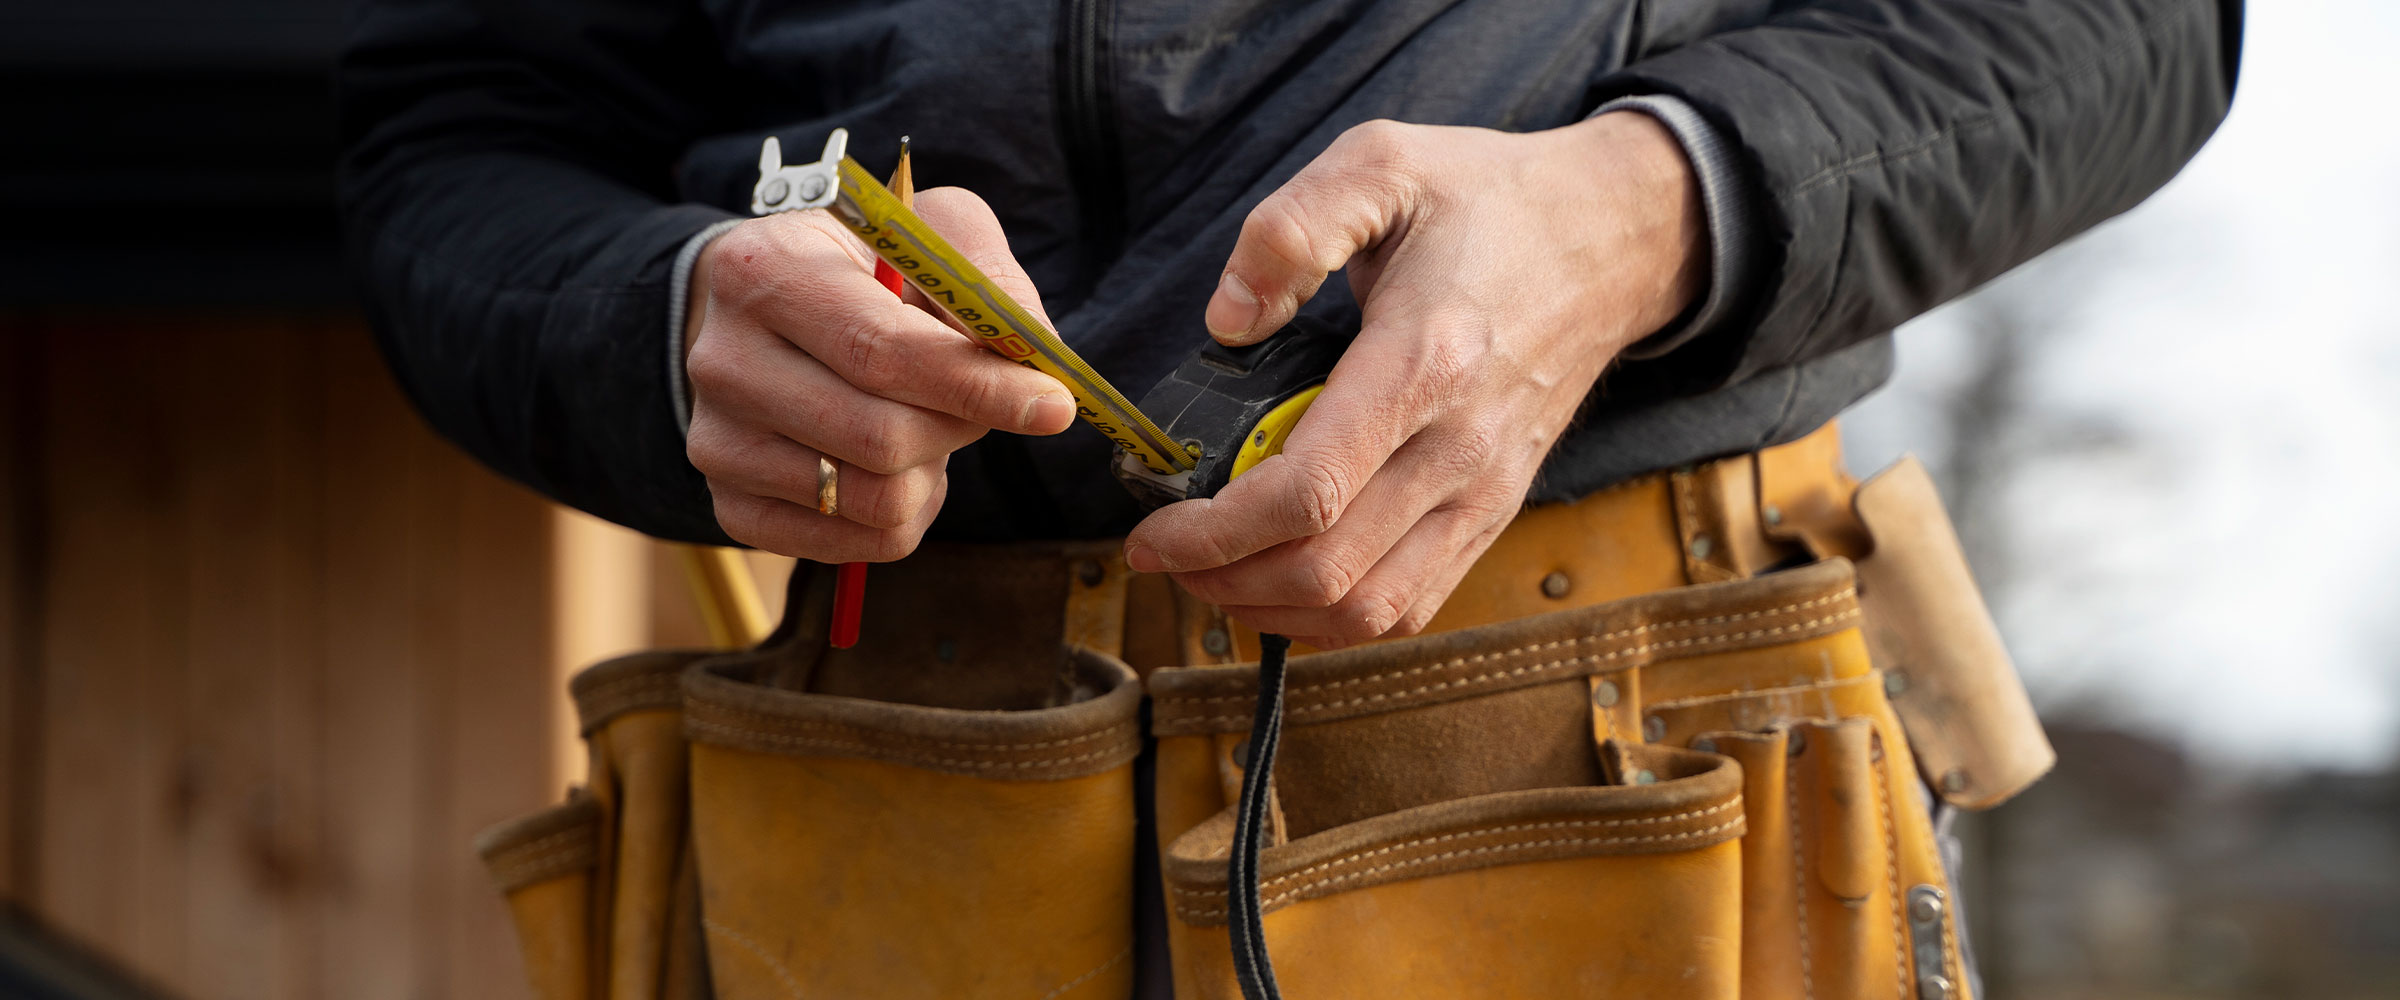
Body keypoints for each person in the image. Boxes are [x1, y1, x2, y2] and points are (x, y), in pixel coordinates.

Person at [341, 2, 2242, 998]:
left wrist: (1644, 205)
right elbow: (463, 128)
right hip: (887, 787)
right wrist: (660, 314)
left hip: (1625, 746)